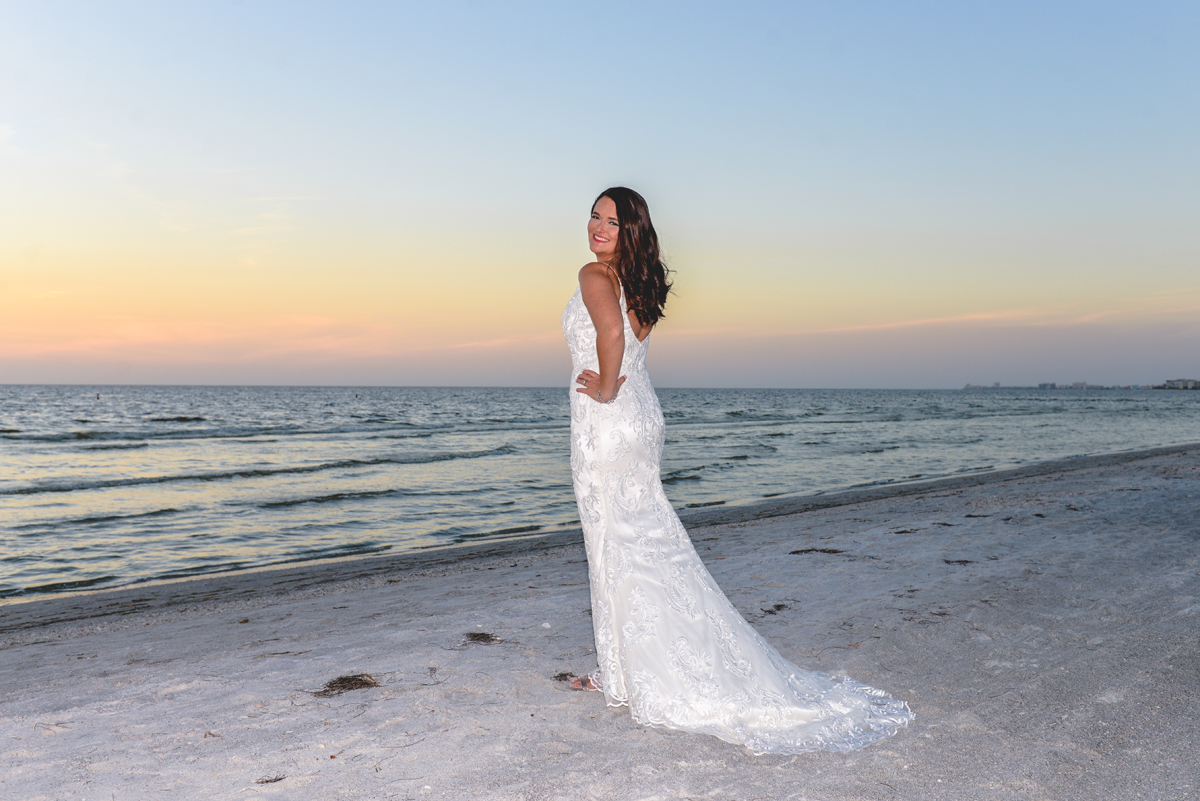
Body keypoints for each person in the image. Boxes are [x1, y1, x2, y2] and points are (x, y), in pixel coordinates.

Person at [561, 187, 914, 754]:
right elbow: (631, 334)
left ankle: (624, 676)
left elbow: (611, 336)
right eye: (595, 217)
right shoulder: (640, 283)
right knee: (643, 540)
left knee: (612, 541)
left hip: (609, 421)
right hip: (643, 418)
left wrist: (603, 387)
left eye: (613, 222)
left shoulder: (594, 275)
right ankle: (623, 671)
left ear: (631, 232)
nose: (598, 228)